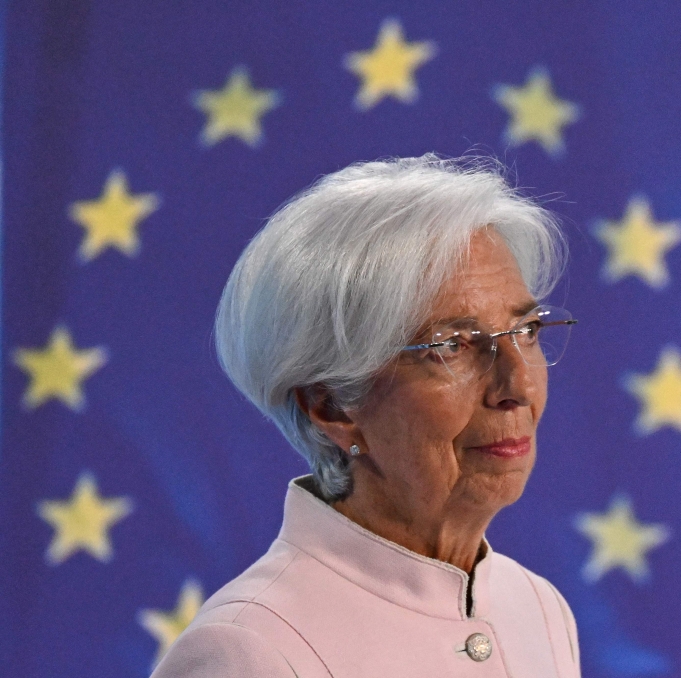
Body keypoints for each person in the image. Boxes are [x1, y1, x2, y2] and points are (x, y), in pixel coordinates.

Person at [151, 155, 581, 677]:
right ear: (331, 406)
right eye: (450, 346)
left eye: (527, 331)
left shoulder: (536, 607)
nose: (518, 385)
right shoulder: (248, 650)